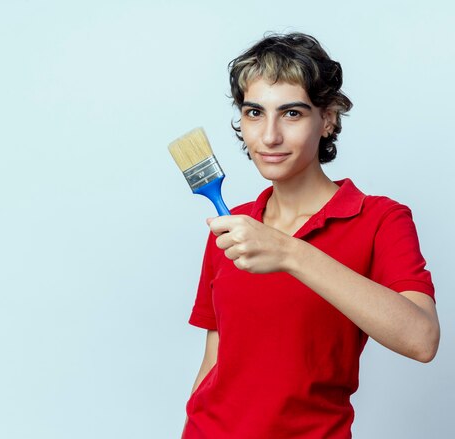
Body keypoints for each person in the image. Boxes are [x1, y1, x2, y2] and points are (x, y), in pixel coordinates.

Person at [182, 32, 440, 439]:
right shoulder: (235, 227)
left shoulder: (379, 219)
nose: (269, 137)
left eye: (292, 114)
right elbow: (215, 361)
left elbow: (421, 339)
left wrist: (290, 253)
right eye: (254, 113)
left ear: (328, 118)